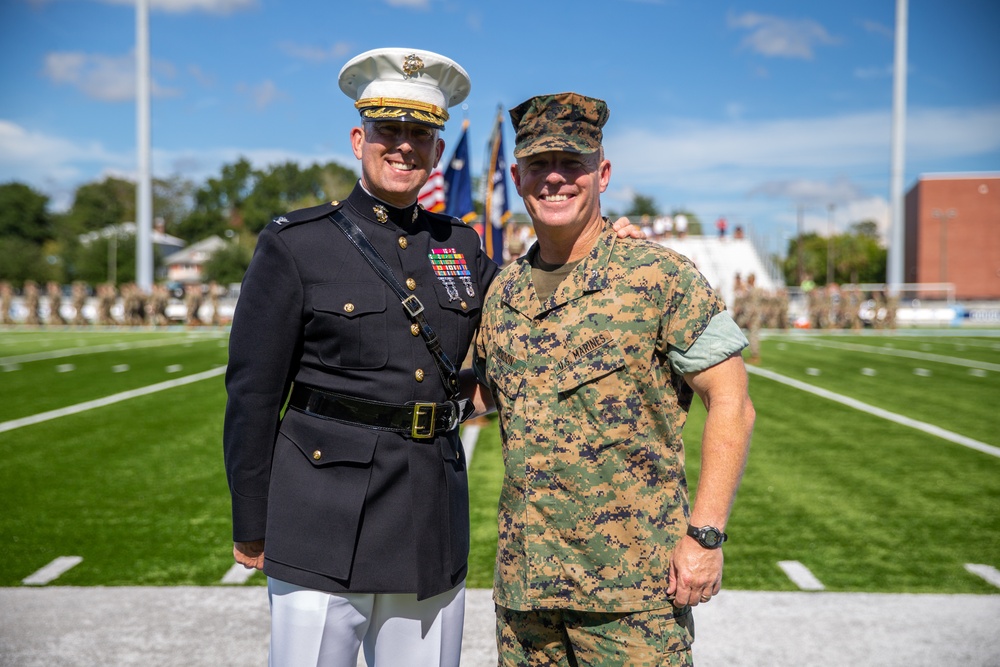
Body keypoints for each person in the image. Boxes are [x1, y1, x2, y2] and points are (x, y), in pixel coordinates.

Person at [223, 50, 643, 667]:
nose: (403, 147)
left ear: (437, 151)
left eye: (419, 133)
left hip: (427, 514)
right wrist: (252, 520)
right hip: (319, 515)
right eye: (389, 130)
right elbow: (253, 393)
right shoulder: (296, 245)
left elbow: (533, 306)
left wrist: (602, 249)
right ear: (358, 138)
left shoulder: (460, 245)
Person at [473, 92, 756, 666]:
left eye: (572, 164)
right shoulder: (503, 292)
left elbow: (732, 402)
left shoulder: (657, 275)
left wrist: (705, 537)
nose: (555, 179)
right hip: (527, 598)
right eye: (538, 165)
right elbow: (483, 395)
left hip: (633, 598)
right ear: (516, 177)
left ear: (601, 173)